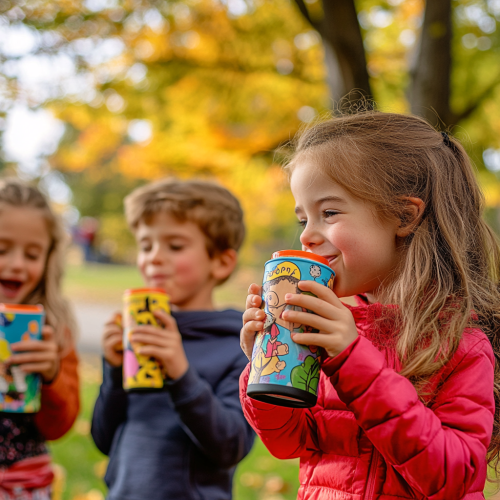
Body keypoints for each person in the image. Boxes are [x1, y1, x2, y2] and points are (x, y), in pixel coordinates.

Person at [240, 111, 500, 500]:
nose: (308, 235)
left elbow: (453, 478)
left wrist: (354, 361)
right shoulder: (329, 328)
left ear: (403, 215)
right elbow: (289, 443)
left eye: (328, 213)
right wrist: (264, 363)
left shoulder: (459, 342)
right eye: (303, 218)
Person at [91, 179, 254, 500]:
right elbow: (104, 439)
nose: (153, 257)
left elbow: (231, 446)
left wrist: (181, 374)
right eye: (145, 245)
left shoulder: (237, 345)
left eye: (175, 246)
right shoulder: (138, 334)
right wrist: (112, 370)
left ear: (221, 262)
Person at [0, 179, 79, 499]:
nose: (17, 264)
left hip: (26, 485)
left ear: (48, 259)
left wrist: (52, 376)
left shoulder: (53, 328)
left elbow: (59, 427)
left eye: (32, 254)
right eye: (2, 249)